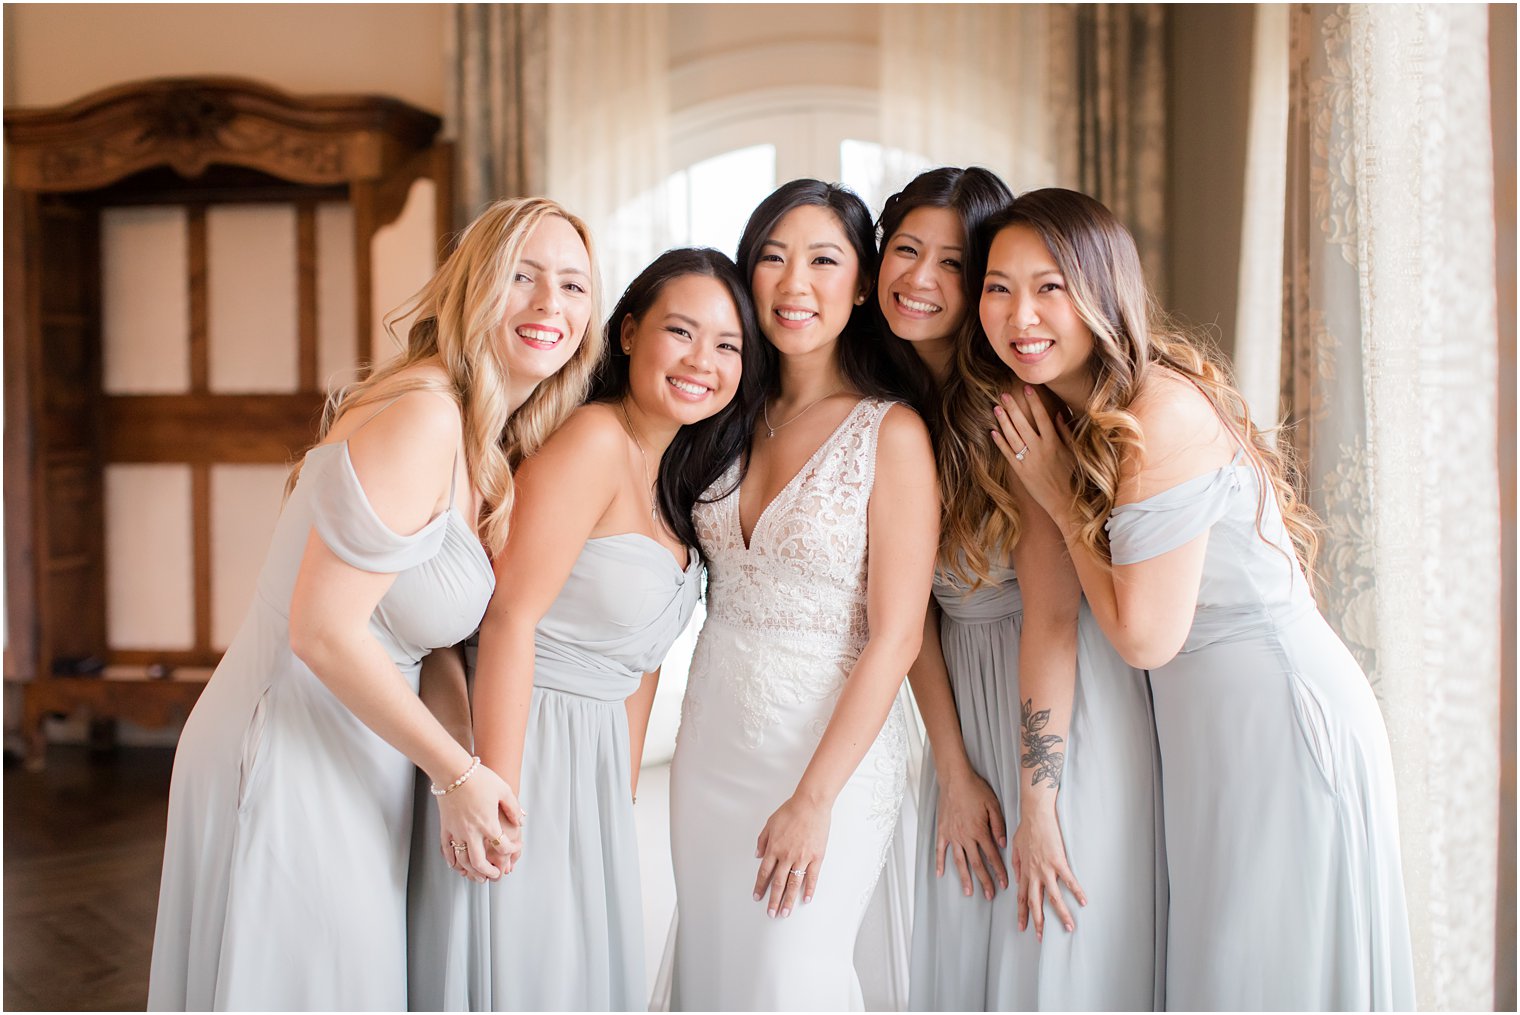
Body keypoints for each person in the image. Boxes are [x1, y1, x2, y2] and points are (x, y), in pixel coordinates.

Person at [146, 197, 602, 1011]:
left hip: (362, 752)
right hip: (286, 746)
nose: (549, 305)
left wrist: (471, 761)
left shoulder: (478, 436)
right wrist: (457, 771)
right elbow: (323, 631)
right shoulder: (425, 414)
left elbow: (426, 643)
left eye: (573, 286)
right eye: (522, 276)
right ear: (473, 288)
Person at [984, 187, 1414, 1010]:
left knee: (1263, 973)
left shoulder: (1160, 411)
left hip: (1276, 723)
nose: (1021, 312)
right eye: (999, 286)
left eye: (1050, 286)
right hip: (1209, 735)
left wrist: (1055, 492)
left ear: (1103, 292)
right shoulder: (1070, 418)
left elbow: (1145, 637)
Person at [409, 248, 767, 1011]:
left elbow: (640, 666)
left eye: (728, 345)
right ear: (630, 332)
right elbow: (508, 619)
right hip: (522, 740)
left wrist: (617, 800)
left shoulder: (677, 482)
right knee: (518, 966)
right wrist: (495, 791)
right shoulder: (595, 440)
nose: (703, 360)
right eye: (681, 331)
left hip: (591, 769)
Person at [878, 169, 1163, 1011]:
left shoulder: (1016, 406)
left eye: (956, 264)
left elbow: (1053, 612)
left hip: (1057, 709)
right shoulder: (889, 404)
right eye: (906, 251)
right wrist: (956, 768)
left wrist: (1039, 804)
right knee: (967, 952)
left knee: (1052, 949)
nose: (923, 280)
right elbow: (909, 617)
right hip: (962, 711)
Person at [665, 179, 939, 1011]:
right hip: (713, 746)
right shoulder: (720, 415)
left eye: (824, 260)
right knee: (720, 970)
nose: (794, 283)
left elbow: (898, 635)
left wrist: (815, 798)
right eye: (773, 259)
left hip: (831, 753)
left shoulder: (891, 432)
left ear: (861, 284)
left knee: (790, 975)